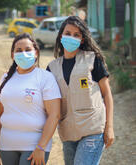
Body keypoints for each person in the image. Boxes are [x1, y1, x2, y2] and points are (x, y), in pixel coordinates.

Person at [47, 16, 114, 165]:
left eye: (76, 35)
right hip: (67, 132)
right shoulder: (52, 68)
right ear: (61, 36)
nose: (71, 37)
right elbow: (48, 104)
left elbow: (107, 94)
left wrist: (109, 127)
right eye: (68, 33)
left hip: (93, 129)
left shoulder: (92, 59)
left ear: (82, 39)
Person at [0, 33, 61, 165]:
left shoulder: (45, 77)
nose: (23, 53)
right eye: (19, 50)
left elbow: (54, 115)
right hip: (7, 145)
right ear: (12, 55)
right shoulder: (5, 79)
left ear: (36, 53)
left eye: (28, 50)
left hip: (34, 146)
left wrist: (41, 147)